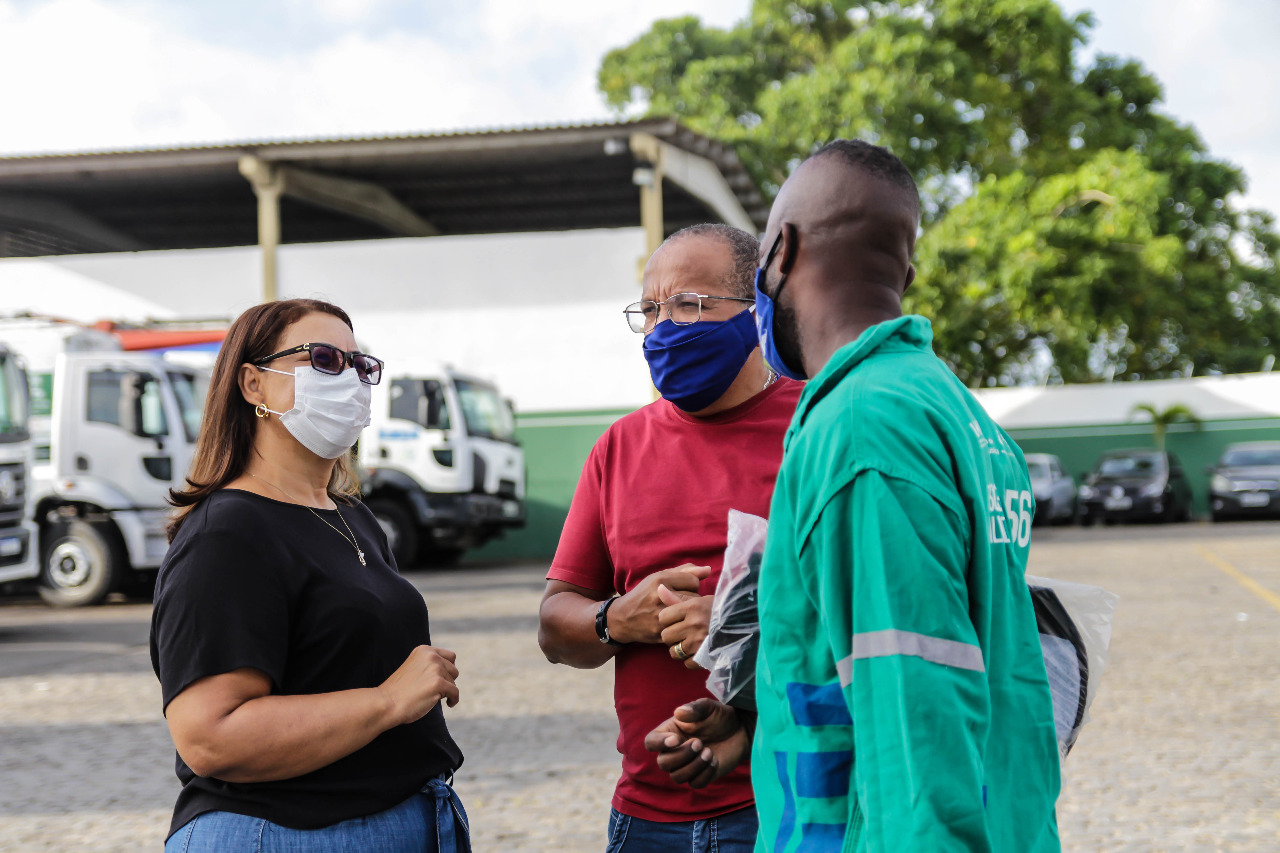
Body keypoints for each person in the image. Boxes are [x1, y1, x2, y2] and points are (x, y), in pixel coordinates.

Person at [646, 141, 1062, 851]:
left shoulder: (861, 430)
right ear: (906, 268)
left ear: (781, 252)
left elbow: (915, 706)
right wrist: (760, 717)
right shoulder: (959, 413)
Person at [150, 298, 470, 852]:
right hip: (285, 833)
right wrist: (389, 701)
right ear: (253, 384)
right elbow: (211, 736)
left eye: (359, 365)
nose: (347, 380)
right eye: (321, 359)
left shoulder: (353, 517)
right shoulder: (227, 533)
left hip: (403, 820)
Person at [538, 224, 803, 852]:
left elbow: (870, 601)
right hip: (644, 817)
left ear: (755, 309)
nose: (663, 328)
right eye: (650, 310)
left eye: (689, 304)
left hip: (786, 802)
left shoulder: (815, 427)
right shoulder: (619, 448)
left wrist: (740, 622)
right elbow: (554, 625)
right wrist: (614, 620)